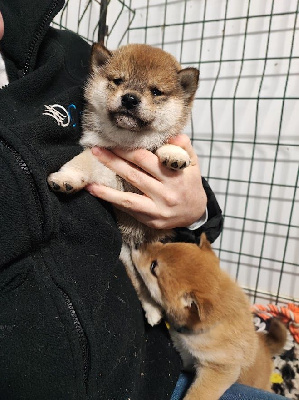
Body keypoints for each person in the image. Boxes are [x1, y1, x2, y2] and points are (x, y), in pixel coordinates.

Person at [0, 1, 285, 399]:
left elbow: (187, 195)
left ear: (182, 96)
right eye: (117, 84)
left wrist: (197, 211)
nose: (131, 97)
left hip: (151, 364)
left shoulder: (61, 52)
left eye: (154, 92)